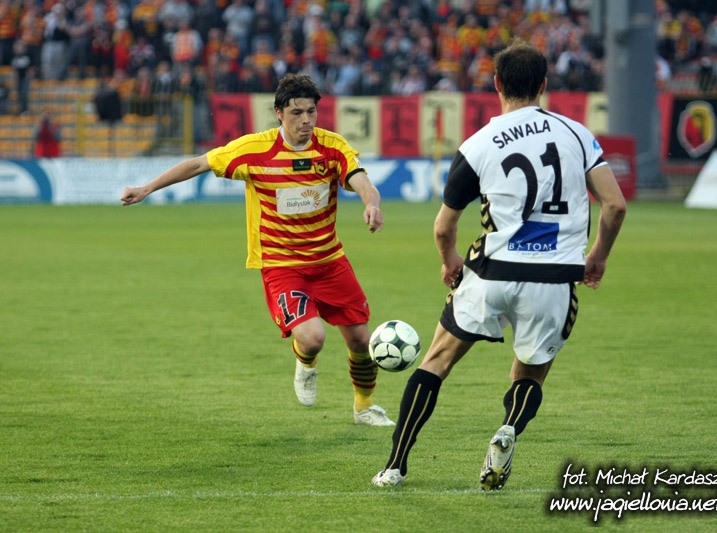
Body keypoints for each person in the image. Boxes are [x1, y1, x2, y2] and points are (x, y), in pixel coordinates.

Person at [371, 39, 627, 490]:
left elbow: (444, 227)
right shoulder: (577, 135)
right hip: (554, 278)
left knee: (436, 361)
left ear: (496, 84)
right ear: (543, 85)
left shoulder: (479, 144)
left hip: (493, 271)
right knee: (529, 374)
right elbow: (615, 205)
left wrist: (449, 262)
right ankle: (508, 429)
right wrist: (597, 257)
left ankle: (395, 465)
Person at [120, 74, 395, 427]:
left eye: (311, 112)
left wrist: (372, 203)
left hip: (329, 261)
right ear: (279, 112)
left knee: (361, 340)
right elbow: (199, 163)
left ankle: (364, 407)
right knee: (313, 339)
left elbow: (362, 181)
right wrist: (146, 188)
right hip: (282, 265)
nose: (306, 120)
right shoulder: (254, 150)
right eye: (297, 113)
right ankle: (305, 362)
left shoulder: (332, 146)